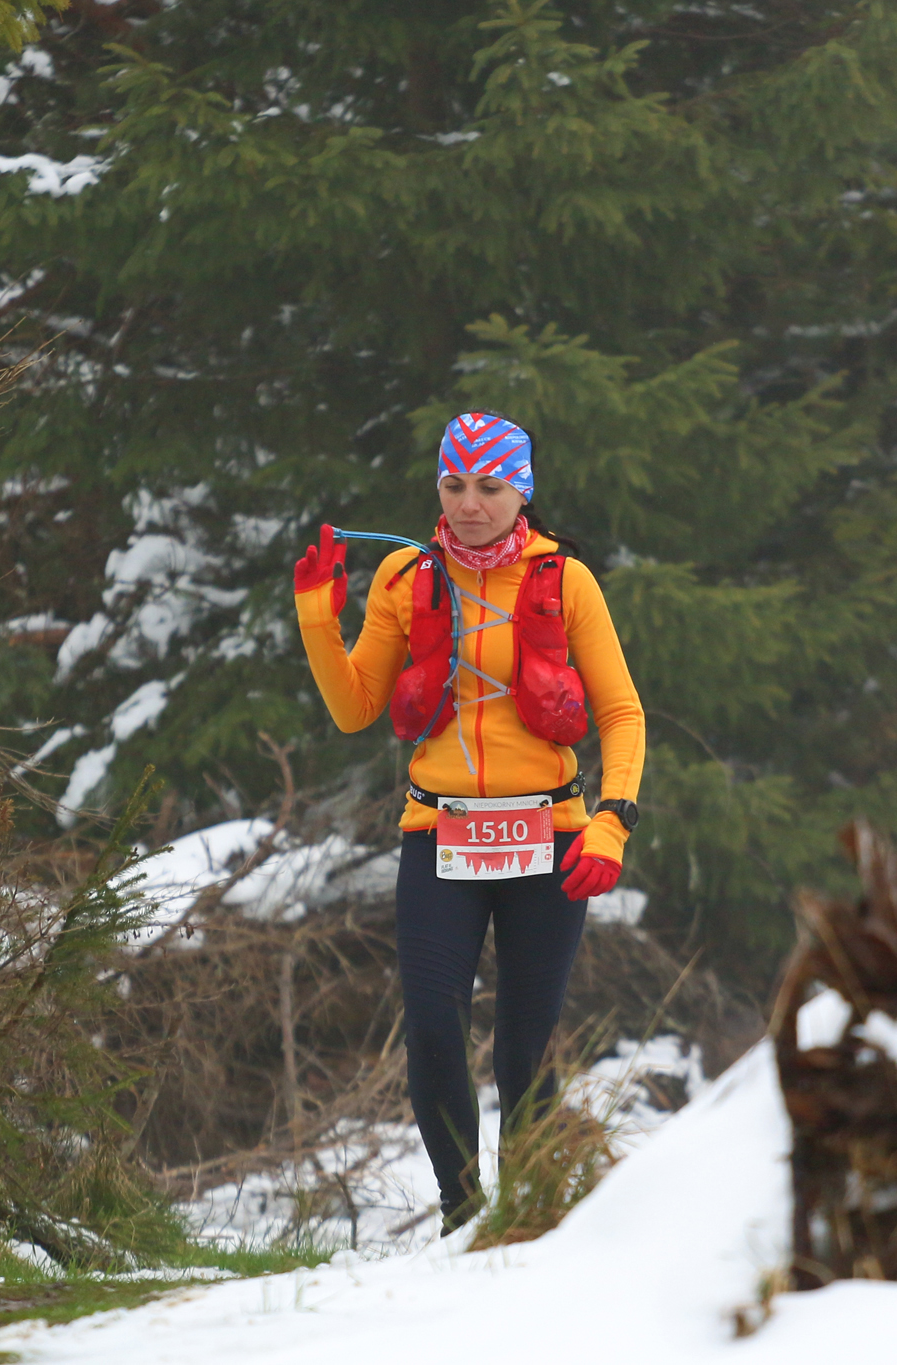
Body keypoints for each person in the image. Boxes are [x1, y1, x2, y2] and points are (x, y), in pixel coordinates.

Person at [291, 411, 645, 1232]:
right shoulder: (403, 577)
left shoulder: (566, 580)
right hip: (439, 832)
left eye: (490, 486)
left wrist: (612, 821)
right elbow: (354, 708)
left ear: (522, 490)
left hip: (549, 834)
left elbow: (622, 713)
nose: (470, 504)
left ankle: (531, 1211)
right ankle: (463, 1212)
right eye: (454, 485)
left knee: (524, 1047)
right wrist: (317, 617)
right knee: (432, 1029)